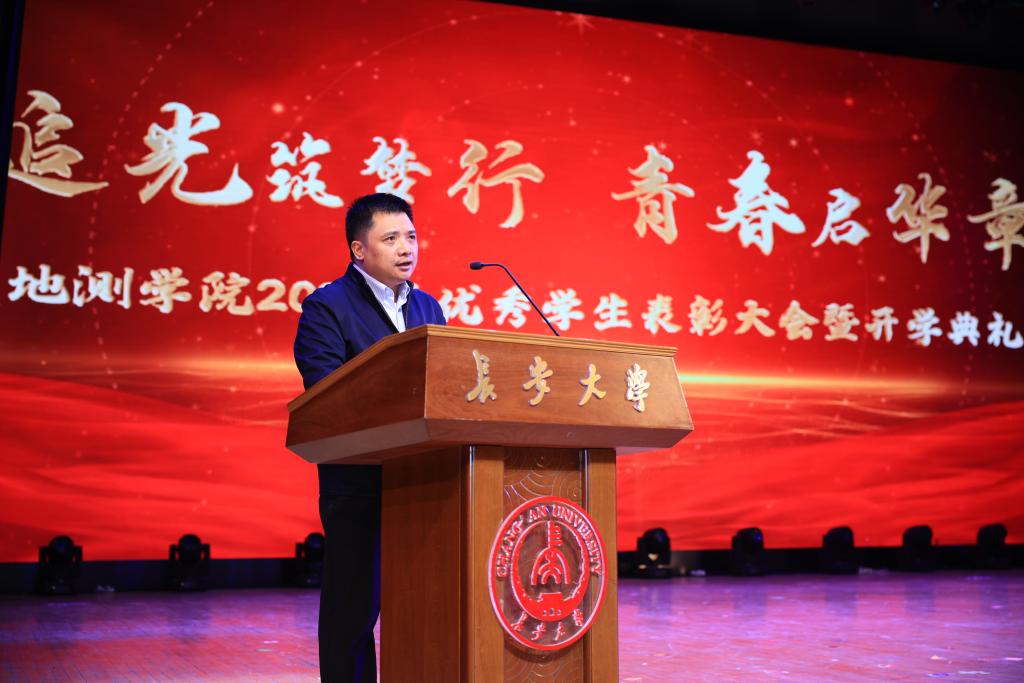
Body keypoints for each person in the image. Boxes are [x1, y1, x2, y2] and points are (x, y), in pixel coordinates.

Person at [293, 192, 446, 682]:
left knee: (425, 603)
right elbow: (324, 391)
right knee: (353, 611)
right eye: (391, 238)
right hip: (359, 481)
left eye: (411, 237)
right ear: (359, 250)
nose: (407, 248)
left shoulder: (428, 307)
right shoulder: (327, 307)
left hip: (424, 481)